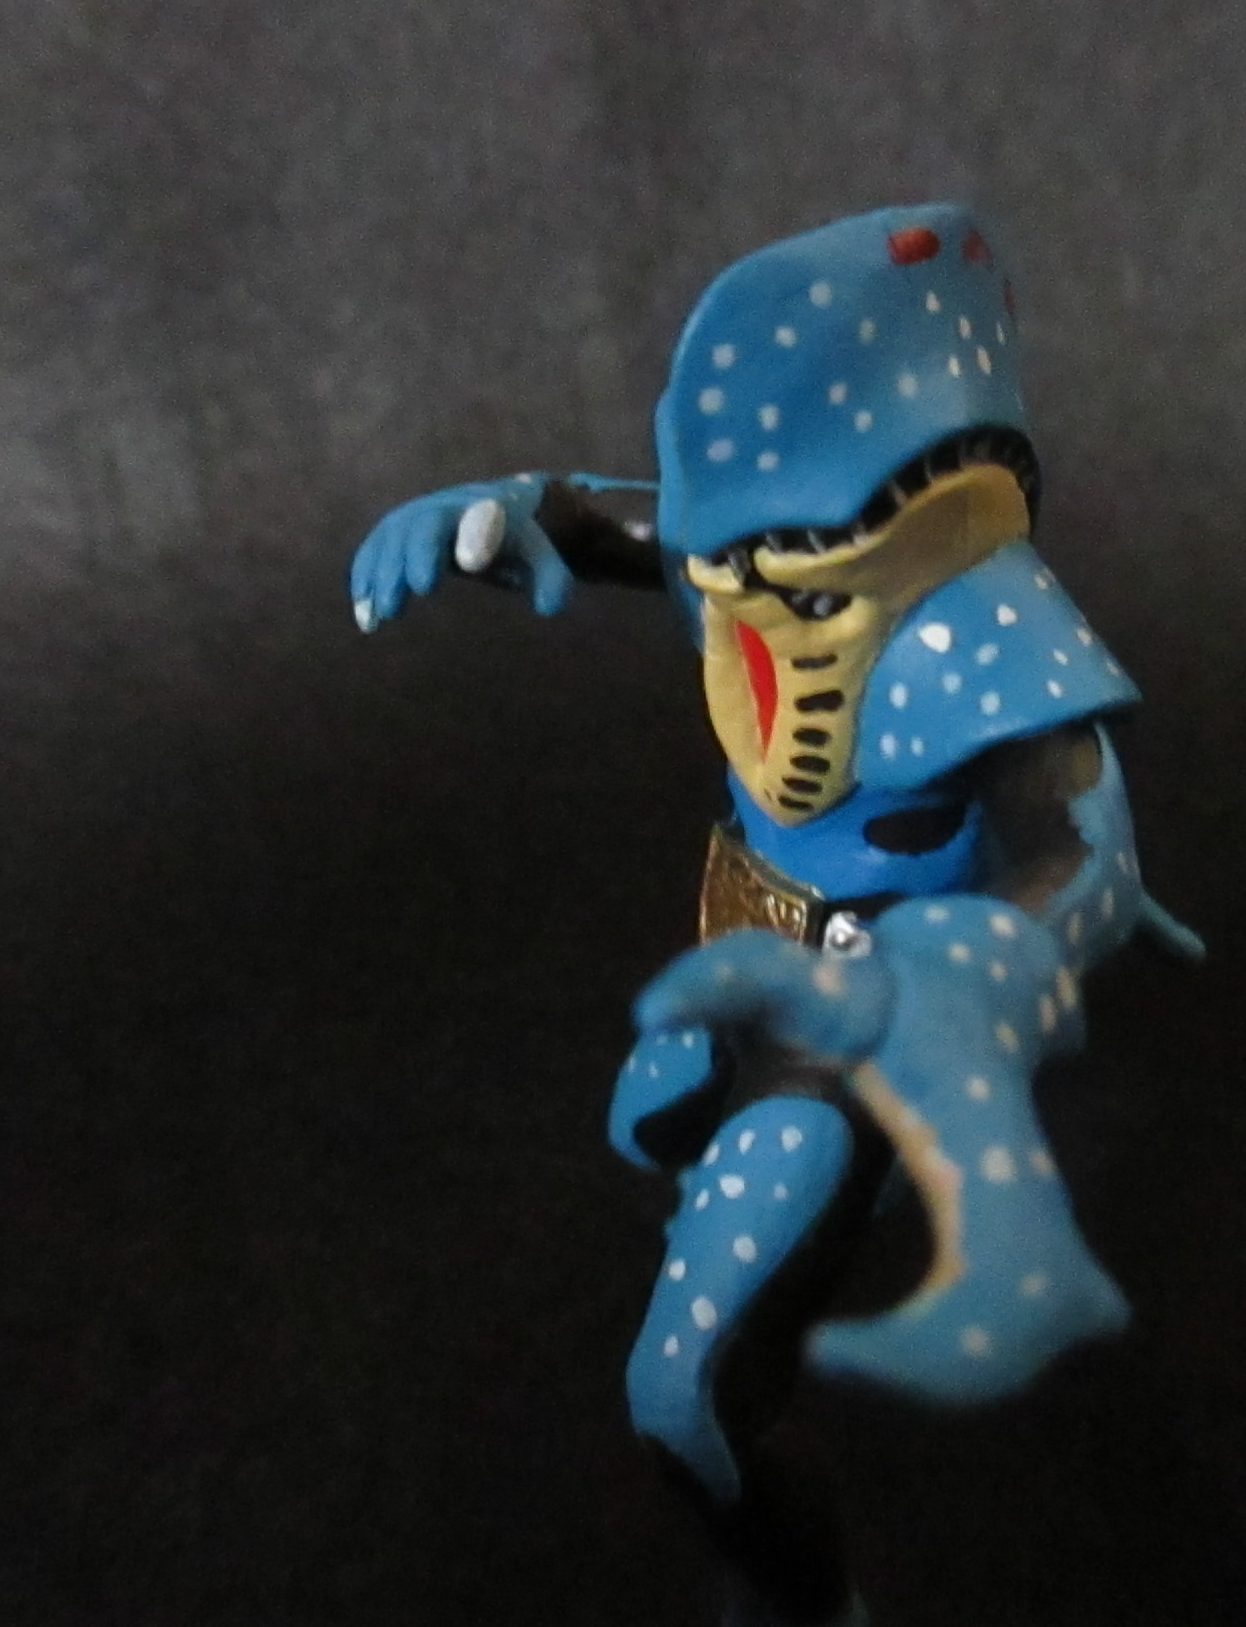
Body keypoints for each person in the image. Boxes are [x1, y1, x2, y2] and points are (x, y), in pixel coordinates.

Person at [348, 204, 1198, 1627]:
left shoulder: (970, 627)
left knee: (685, 1395)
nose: (737, 590)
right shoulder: (734, 564)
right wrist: (497, 514)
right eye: (731, 559)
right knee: (655, 1138)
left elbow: (1084, 848)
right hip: (737, 964)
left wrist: (977, 960)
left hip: (855, 1014)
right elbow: (617, 520)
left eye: (797, 561)